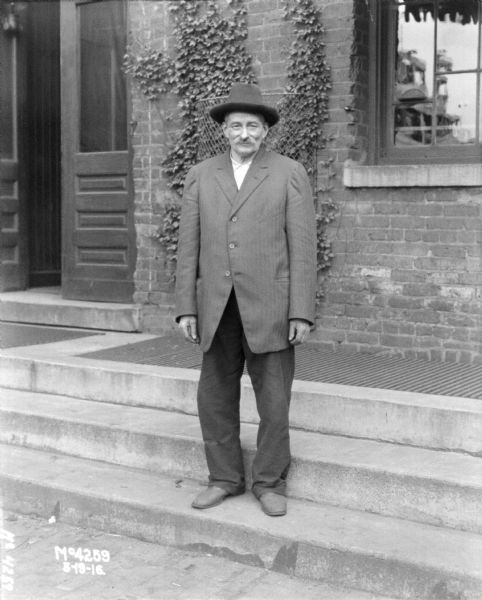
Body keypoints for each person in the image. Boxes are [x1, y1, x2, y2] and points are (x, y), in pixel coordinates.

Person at [175, 83, 317, 517]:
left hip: (271, 305)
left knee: (274, 400)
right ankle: (224, 478)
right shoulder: (201, 174)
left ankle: (270, 482)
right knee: (213, 396)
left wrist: (301, 311)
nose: (244, 133)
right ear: (223, 130)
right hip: (216, 305)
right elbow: (188, 244)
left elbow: (303, 246)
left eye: (252, 126)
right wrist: (186, 305)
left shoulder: (289, 172)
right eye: (235, 125)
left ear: (265, 132)